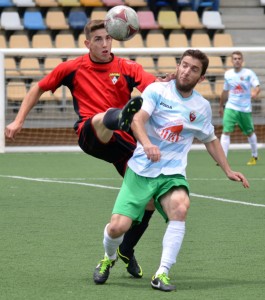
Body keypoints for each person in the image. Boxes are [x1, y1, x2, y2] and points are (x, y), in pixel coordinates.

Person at [5, 20, 174, 279]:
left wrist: (167, 82)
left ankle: (124, 250)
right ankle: (119, 117)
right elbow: (38, 88)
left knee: (148, 202)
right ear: (87, 43)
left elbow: (155, 87)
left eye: (108, 38)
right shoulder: (71, 68)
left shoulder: (128, 68)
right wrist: (18, 120)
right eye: (98, 39)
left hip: (124, 145)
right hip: (91, 133)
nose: (105, 43)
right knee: (103, 117)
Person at [93, 49, 250, 292]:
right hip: (141, 170)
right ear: (178, 66)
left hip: (172, 174)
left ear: (201, 78)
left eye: (194, 69)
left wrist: (227, 169)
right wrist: (147, 144)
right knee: (117, 228)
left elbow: (210, 139)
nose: (187, 71)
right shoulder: (157, 90)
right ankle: (108, 258)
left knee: (180, 207)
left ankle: (162, 273)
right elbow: (137, 120)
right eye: (184, 65)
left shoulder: (201, 106)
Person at [219, 51, 261, 166]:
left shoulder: (248, 73)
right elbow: (225, 91)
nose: (237, 60)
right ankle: (223, 158)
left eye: (239, 58)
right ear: (231, 61)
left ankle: (254, 156)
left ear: (242, 61)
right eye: (235, 59)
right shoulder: (228, 74)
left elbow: (257, 86)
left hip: (244, 109)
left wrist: (255, 92)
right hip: (230, 107)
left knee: (249, 133)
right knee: (226, 131)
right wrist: (221, 106)